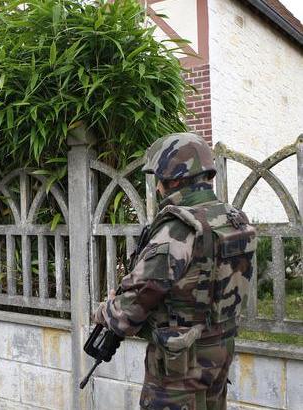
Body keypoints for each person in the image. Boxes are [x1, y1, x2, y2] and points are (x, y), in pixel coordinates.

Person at [93, 133, 257, 410]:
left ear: (176, 177)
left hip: (179, 368)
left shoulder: (178, 229)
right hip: (218, 354)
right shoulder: (233, 219)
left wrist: (104, 310)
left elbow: (134, 304)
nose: (158, 188)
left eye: (160, 179)